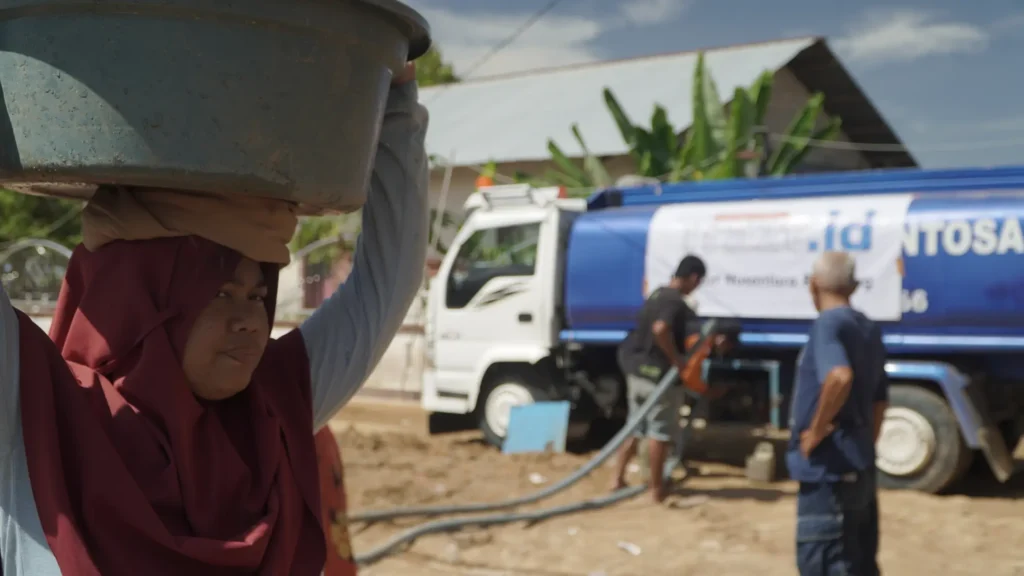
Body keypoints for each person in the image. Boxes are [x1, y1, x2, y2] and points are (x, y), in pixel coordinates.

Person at [0, 62, 427, 575]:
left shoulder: (272, 411)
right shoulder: (32, 415)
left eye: (257, 296)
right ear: (140, 300)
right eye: (221, 293)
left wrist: (393, 100)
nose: (250, 321)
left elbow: (384, 286)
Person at [787, 252, 888, 576]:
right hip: (858, 468)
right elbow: (879, 402)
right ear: (854, 285)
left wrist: (816, 431)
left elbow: (839, 376)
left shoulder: (828, 323)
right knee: (860, 562)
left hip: (828, 472)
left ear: (813, 284)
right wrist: (863, 446)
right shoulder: (868, 328)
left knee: (826, 562)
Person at [611, 255, 706, 503]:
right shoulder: (676, 303)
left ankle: (617, 479)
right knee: (659, 433)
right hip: (658, 379)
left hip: (636, 373)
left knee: (634, 426)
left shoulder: (656, 295)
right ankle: (656, 489)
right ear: (694, 278)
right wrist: (676, 359)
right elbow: (661, 329)